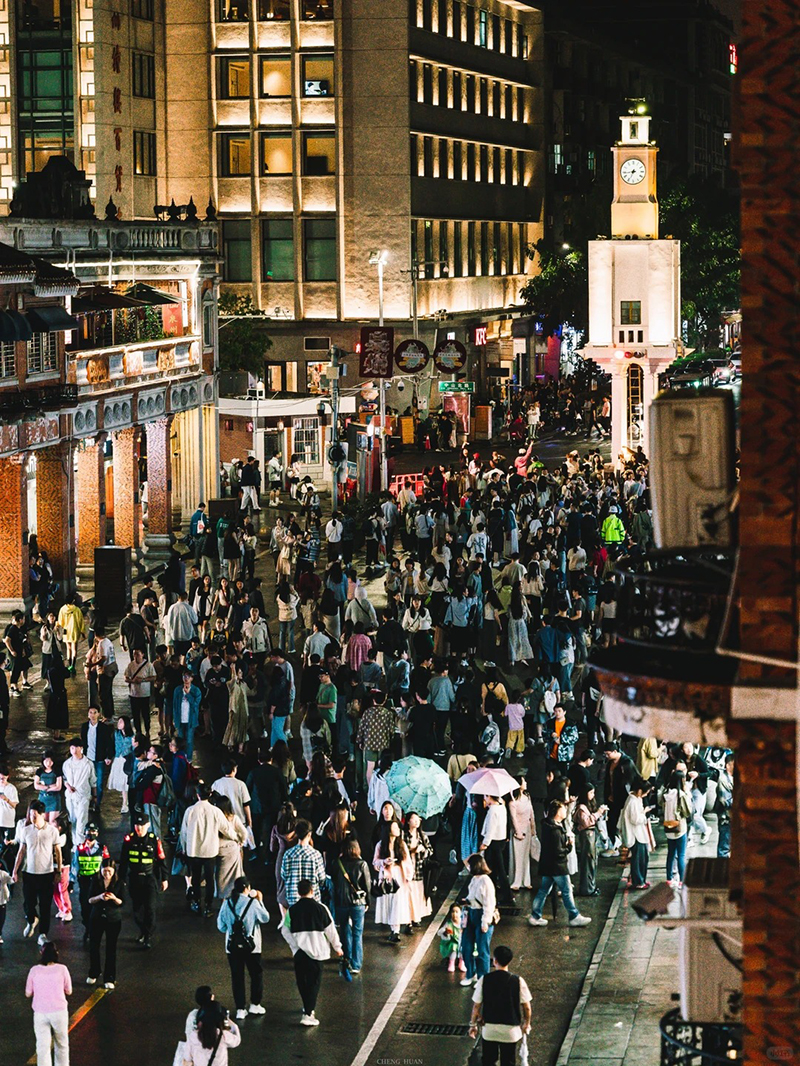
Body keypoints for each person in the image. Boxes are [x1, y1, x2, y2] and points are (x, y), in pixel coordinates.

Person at [281, 877, 344, 1026]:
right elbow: (331, 930)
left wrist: (295, 947)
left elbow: (285, 930)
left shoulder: (292, 910)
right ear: (312, 891)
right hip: (317, 952)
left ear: (298, 892)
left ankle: (307, 1007)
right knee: (314, 983)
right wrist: (338, 947)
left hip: (300, 953)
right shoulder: (321, 908)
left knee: (302, 982)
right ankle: (308, 1014)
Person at [527, 800, 591, 928]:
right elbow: (558, 852)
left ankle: (535, 916)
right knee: (566, 890)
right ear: (556, 812)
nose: (565, 811)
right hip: (558, 866)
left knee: (543, 891)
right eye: (562, 809)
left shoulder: (548, 826)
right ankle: (574, 916)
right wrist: (569, 846)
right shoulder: (555, 830)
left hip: (548, 865)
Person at [468, 945, 532, 1066]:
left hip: (489, 1030)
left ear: (495, 961)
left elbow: (476, 1006)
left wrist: (473, 1025)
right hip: (510, 1031)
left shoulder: (485, 979)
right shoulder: (518, 981)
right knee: (508, 1062)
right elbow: (527, 1007)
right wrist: (526, 1023)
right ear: (509, 961)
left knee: (488, 1061)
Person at [180, 784, 239, 917]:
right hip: (210, 850)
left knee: (195, 878)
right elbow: (226, 829)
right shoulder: (215, 811)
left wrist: (184, 848)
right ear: (210, 794)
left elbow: (184, 832)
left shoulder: (190, 810)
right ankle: (208, 906)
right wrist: (237, 837)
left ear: (197, 795)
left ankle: (196, 903)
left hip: (194, 850)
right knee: (209, 879)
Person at [217, 876, 269, 1020]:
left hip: (232, 947)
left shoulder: (227, 903)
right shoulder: (253, 903)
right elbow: (265, 918)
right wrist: (260, 900)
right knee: (255, 974)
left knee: (237, 976)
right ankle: (255, 1005)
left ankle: (240, 1009)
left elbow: (221, 927)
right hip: (252, 947)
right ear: (247, 888)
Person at [13, 800, 63, 945]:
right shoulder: (26, 830)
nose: (32, 818)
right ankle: (32, 919)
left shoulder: (52, 831)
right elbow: (21, 851)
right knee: (28, 903)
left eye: (35, 815)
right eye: (30, 815)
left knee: (45, 906)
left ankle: (43, 933)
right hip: (29, 873)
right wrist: (15, 871)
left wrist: (58, 871)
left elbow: (58, 851)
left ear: (42, 815)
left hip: (46, 874)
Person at [118, 812, 168, 948]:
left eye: (142, 825)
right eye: (137, 825)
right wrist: (121, 879)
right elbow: (123, 861)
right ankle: (143, 930)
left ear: (148, 825)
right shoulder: (128, 840)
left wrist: (164, 878)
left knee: (150, 908)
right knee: (137, 910)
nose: (139, 828)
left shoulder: (154, 840)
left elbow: (161, 860)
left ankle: (147, 935)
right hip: (134, 879)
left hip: (149, 878)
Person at [26, 940, 72, 1066]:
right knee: (62, 1043)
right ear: (56, 953)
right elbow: (69, 991)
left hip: (40, 1013)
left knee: (42, 1046)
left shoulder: (34, 970)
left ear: (41, 953)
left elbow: (28, 993)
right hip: (59, 1012)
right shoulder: (62, 969)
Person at [332, 837, 371, 977]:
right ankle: (356, 964)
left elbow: (333, 882)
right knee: (357, 933)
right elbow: (367, 885)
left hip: (341, 902)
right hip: (357, 903)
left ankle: (346, 959)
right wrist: (367, 902)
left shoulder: (337, 863)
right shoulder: (362, 864)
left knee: (344, 930)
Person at [86, 859, 125, 989]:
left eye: (109, 871)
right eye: (104, 871)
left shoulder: (119, 883)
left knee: (111, 948)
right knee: (94, 946)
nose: (107, 874)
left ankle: (109, 977)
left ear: (114, 871)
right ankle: (94, 972)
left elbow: (122, 902)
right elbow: (90, 900)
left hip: (113, 919)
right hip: (96, 918)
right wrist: (100, 897)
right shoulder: (95, 881)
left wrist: (113, 898)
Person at [373, 820, 413, 943]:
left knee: (397, 901)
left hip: (400, 874)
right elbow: (375, 861)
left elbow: (408, 861)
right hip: (387, 875)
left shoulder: (402, 844)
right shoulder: (380, 845)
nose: (398, 830)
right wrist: (384, 861)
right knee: (389, 902)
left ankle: (396, 930)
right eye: (395, 827)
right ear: (388, 830)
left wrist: (409, 876)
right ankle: (393, 929)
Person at [459, 853, 497, 987]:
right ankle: (470, 973)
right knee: (466, 946)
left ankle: (483, 978)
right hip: (471, 913)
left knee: (482, 950)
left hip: (482, 915)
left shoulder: (486, 881)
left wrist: (485, 921)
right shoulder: (474, 879)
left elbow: (489, 903)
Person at [281, 819, 326, 908]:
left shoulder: (288, 854)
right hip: (313, 900)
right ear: (309, 834)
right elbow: (322, 878)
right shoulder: (316, 855)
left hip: (293, 900)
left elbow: (284, 875)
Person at [620, 778, 655, 889]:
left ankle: (641, 880)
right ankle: (639, 882)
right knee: (639, 860)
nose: (646, 794)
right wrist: (644, 813)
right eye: (646, 792)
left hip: (638, 834)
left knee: (641, 858)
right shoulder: (633, 801)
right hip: (636, 835)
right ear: (640, 791)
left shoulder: (634, 799)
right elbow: (635, 819)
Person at [183, 1001, 242, 1066]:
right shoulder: (223, 1035)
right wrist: (230, 1022)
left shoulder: (194, 1035)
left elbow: (187, 1057)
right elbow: (237, 1041)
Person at [62, 737, 96, 846]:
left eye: (77, 748)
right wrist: (68, 786)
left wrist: (95, 796)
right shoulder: (67, 764)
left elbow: (93, 781)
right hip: (71, 797)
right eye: (72, 748)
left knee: (81, 822)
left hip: (83, 796)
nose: (74, 750)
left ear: (81, 748)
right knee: (73, 821)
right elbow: (64, 778)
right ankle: (75, 845)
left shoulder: (88, 764)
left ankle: (80, 845)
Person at [479, 796, 513, 905]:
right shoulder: (501, 806)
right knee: (495, 870)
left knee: (497, 870)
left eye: (486, 796)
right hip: (500, 840)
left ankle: (507, 897)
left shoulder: (493, 810)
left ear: (490, 796)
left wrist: (485, 843)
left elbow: (491, 829)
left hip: (493, 842)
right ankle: (492, 894)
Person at [573, 785, 606, 896]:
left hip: (591, 835)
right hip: (587, 835)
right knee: (588, 861)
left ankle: (591, 886)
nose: (593, 795)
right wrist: (598, 812)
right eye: (591, 792)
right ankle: (587, 889)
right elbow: (587, 822)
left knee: (592, 861)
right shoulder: (581, 808)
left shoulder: (586, 806)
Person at [80, 705, 115, 809]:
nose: (93, 715)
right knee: (87, 781)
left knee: (99, 783)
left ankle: (97, 803)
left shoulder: (104, 728)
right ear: (88, 714)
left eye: (95, 712)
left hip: (99, 759)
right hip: (87, 759)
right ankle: (90, 801)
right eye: (91, 713)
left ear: (99, 714)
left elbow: (109, 743)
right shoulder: (84, 727)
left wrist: (109, 756)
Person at [663, 769, 692, 887]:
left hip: (668, 828)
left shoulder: (666, 793)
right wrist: (688, 793)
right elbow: (688, 812)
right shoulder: (681, 795)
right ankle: (681, 881)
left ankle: (669, 879)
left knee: (670, 854)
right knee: (681, 855)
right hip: (680, 829)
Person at [507, 782, 537, 891]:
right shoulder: (512, 802)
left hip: (527, 828)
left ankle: (526, 881)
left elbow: (532, 814)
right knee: (517, 856)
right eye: (524, 781)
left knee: (525, 856)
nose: (526, 783)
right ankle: (516, 881)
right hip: (518, 831)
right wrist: (518, 832)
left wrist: (533, 829)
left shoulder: (527, 797)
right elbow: (513, 818)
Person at [124, 648, 157, 739]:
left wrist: (143, 680)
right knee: (136, 715)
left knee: (145, 714)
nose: (136, 657)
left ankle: (147, 731)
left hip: (145, 694)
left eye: (137, 654)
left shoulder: (148, 665)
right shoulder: (131, 665)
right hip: (133, 694)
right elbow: (126, 677)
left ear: (142, 654)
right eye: (134, 654)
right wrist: (132, 681)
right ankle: (138, 732)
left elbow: (154, 677)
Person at [108, 716, 134, 815]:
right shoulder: (116, 734)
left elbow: (133, 750)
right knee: (122, 783)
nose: (119, 724)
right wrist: (109, 757)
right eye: (118, 722)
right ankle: (125, 802)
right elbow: (111, 746)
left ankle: (126, 802)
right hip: (118, 760)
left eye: (121, 722)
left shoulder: (132, 736)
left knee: (126, 782)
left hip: (127, 760)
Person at [173, 673, 202, 760]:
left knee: (189, 740)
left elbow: (196, 704)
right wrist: (174, 719)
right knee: (180, 740)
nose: (186, 679)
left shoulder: (196, 690)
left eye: (188, 677)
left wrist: (188, 694)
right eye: (184, 677)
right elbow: (175, 706)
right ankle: (181, 757)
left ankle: (189, 759)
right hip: (180, 719)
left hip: (191, 720)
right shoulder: (177, 690)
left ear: (192, 678)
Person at [34, 754, 62, 824]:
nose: (48, 763)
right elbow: (36, 786)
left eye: (50, 761)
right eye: (46, 761)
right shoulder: (39, 771)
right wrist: (50, 786)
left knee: (53, 822)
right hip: (43, 799)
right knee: (44, 822)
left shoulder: (57, 771)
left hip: (54, 799)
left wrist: (45, 788)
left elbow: (58, 787)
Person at [715, 754, 734, 860]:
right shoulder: (723, 780)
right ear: (728, 765)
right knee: (724, 848)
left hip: (733, 818)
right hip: (725, 819)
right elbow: (725, 801)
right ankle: (721, 868)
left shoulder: (734, 778)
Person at [0, 763, 19, 842]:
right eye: (0, 778)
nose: (1, 780)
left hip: (8, 821)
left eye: (3, 778)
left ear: (7, 777)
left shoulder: (12, 788)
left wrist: (6, 800)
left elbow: (14, 805)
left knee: (7, 843)